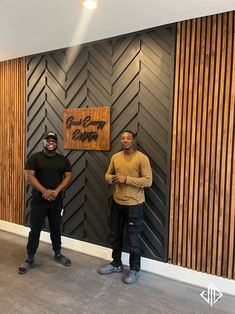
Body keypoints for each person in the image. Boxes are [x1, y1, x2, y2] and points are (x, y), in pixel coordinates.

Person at [98, 130, 152, 284]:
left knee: (133, 238)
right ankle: (116, 264)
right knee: (115, 235)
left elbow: (148, 181)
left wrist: (126, 179)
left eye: (128, 138)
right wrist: (112, 179)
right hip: (117, 203)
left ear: (133, 141)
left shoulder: (142, 158)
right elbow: (107, 174)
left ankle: (135, 270)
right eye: (122, 138)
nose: (125, 140)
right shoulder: (115, 157)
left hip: (134, 205)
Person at [18, 131, 72, 274]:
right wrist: (44, 191)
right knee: (35, 229)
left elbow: (68, 176)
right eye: (48, 140)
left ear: (56, 143)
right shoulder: (34, 158)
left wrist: (56, 191)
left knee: (56, 228)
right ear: (44, 142)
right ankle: (30, 257)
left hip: (56, 201)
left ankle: (58, 253)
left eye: (53, 141)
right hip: (38, 200)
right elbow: (29, 176)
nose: (51, 143)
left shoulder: (63, 160)